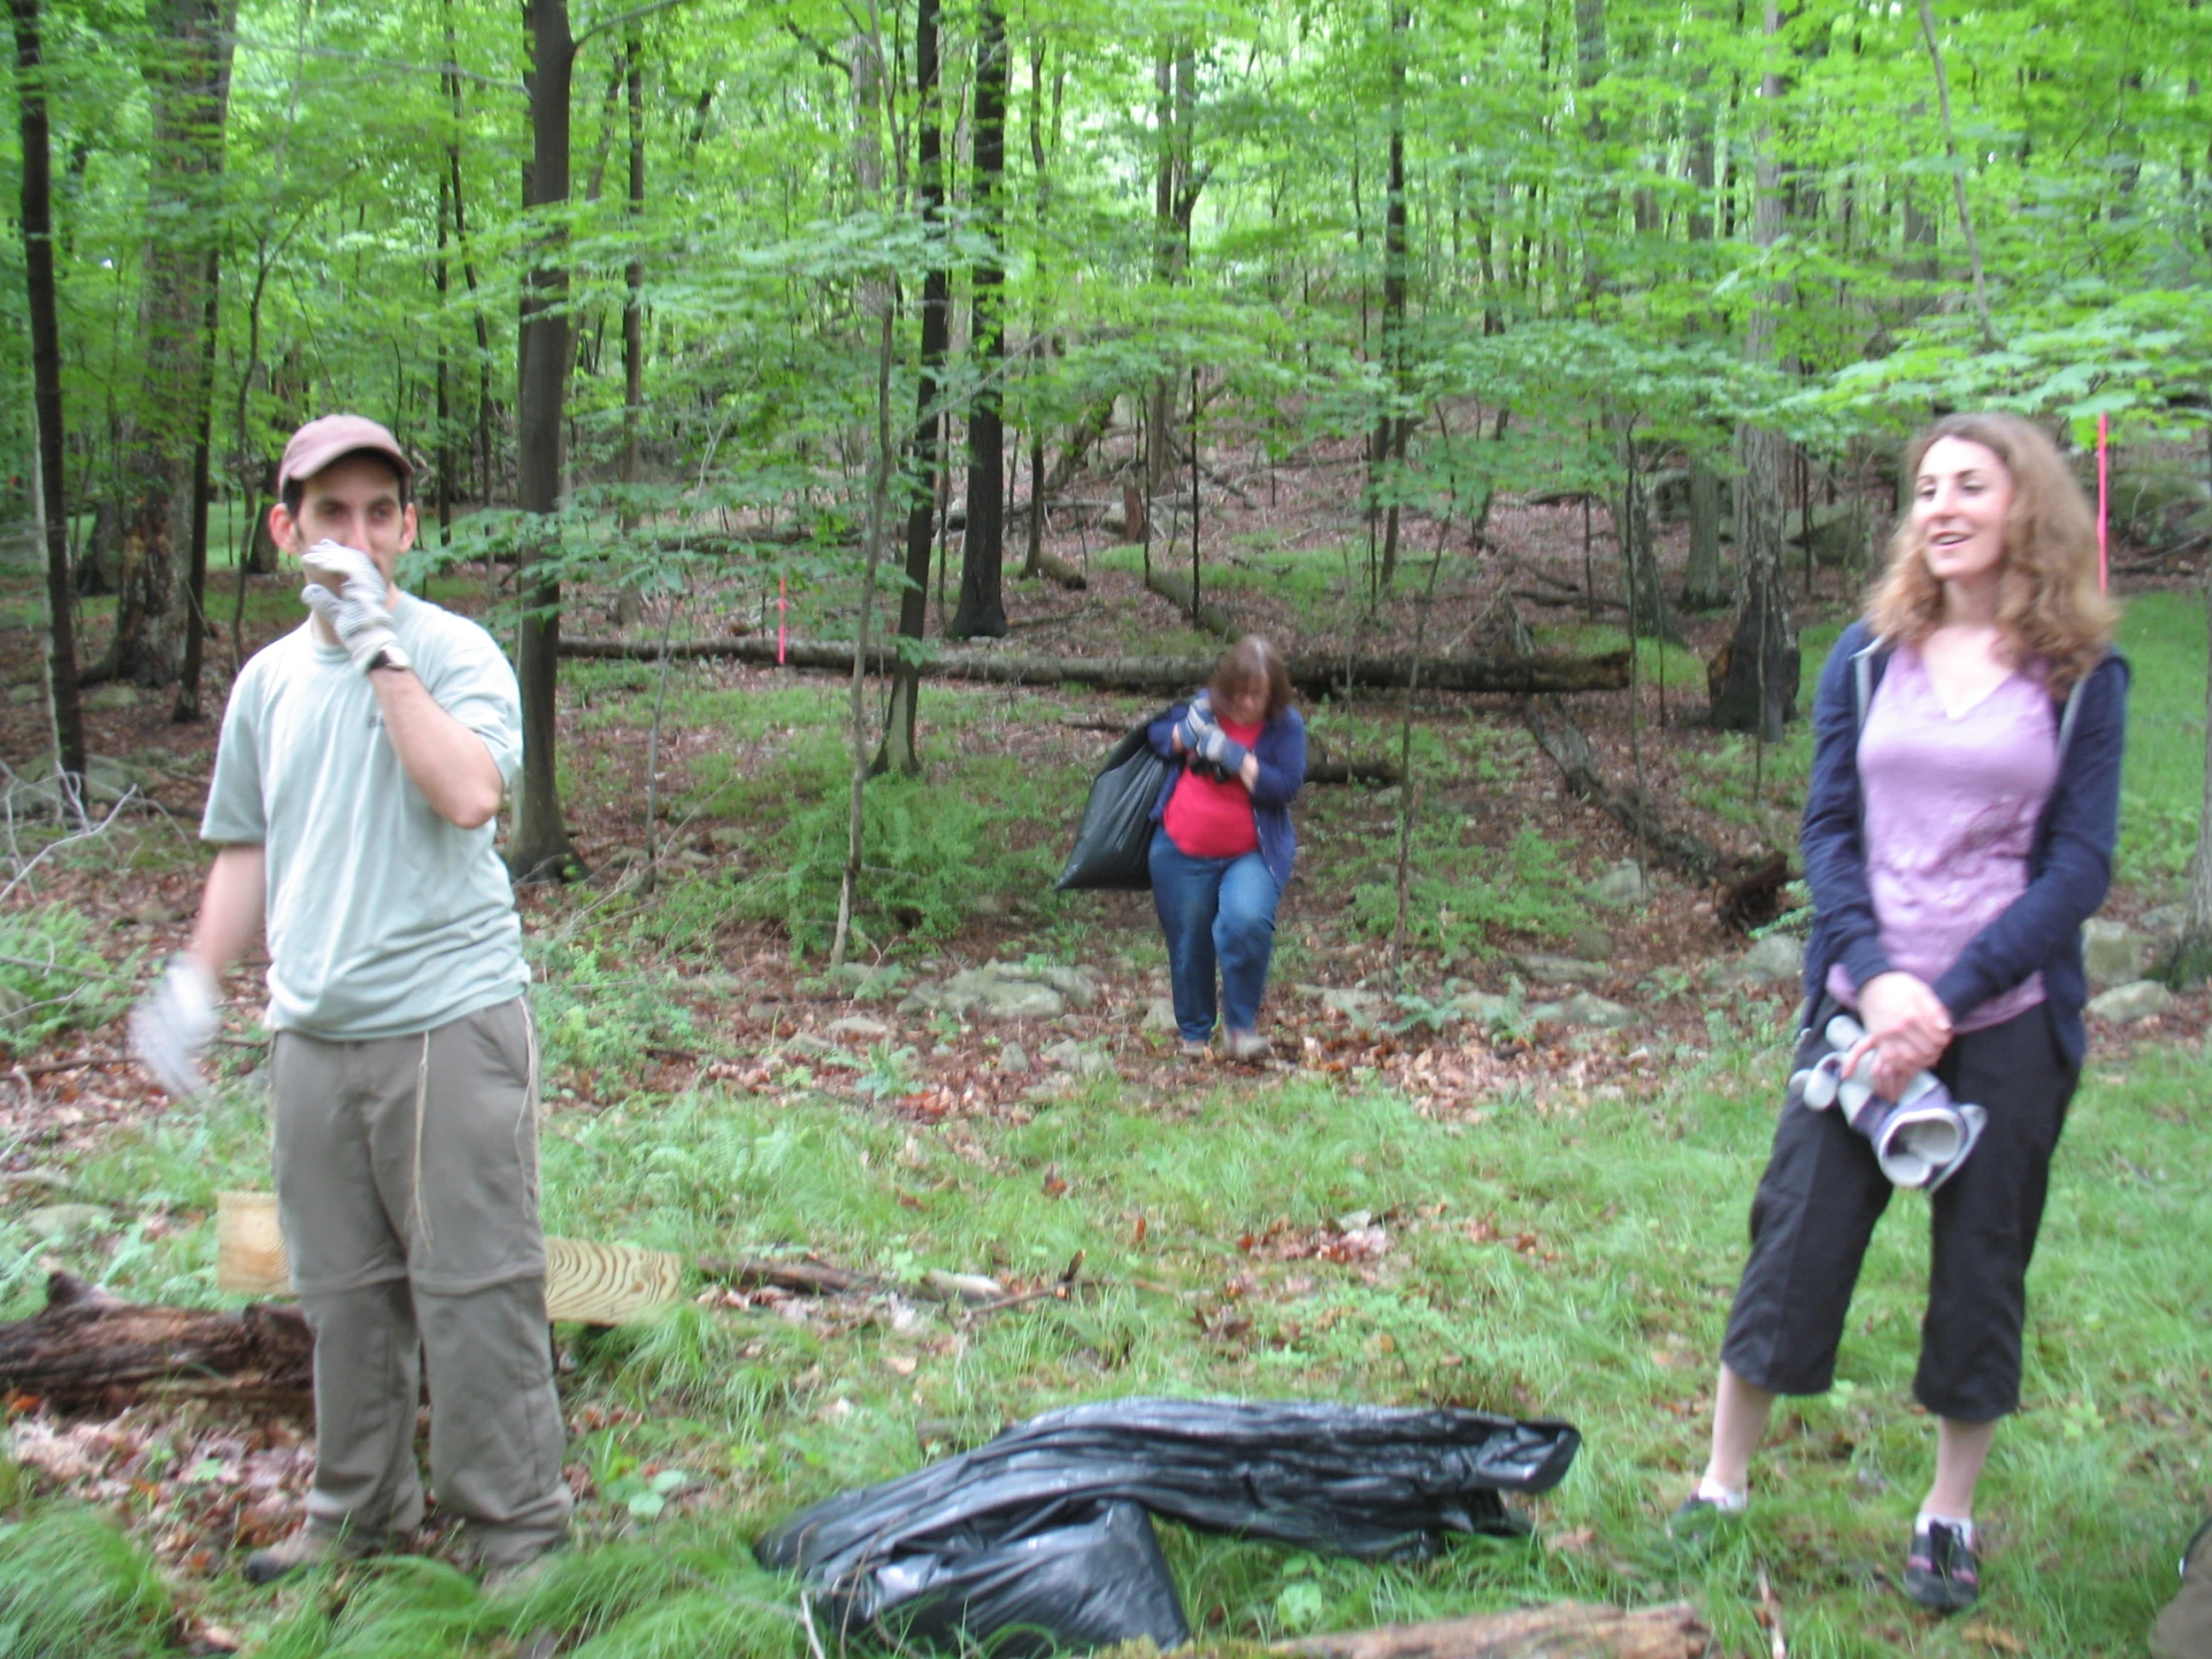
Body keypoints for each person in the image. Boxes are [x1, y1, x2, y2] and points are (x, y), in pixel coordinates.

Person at [1673, 412, 2127, 1615]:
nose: (1938, 506)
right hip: (1855, 1011)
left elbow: (2078, 867)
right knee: (1797, 1234)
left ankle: (1945, 1515)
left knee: (1983, 1261)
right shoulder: (1866, 656)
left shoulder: (2080, 676)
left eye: (1967, 485)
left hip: (2007, 1017)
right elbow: (1826, 831)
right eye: (1923, 487)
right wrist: (1876, 979)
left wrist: (1950, 997)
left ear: (2021, 504)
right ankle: (1719, 1484)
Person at [129, 414, 571, 1585]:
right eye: (332, 514)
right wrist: (195, 976)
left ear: (410, 529)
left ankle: (518, 1544)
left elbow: (470, 792)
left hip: (449, 1024)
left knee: (477, 1294)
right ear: (287, 530)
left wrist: (381, 650)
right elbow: (247, 848)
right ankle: (357, 1522)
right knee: (344, 1299)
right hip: (311, 1037)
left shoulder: (457, 653)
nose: (358, 536)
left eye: (381, 514)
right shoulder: (268, 685)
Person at [1144, 636, 1307, 1061]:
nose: (1246, 702)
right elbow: (1157, 737)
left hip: (1250, 851)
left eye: (1257, 695)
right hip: (1181, 845)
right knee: (1188, 935)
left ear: (1273, 694)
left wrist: (1235, 755)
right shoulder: (1206, 705)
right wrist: (1190, 732)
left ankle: (1240, 1029)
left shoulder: (1285, 726)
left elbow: (1284, 787)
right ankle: (1195, 1034)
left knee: (1246, 919)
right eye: (1238, 692)